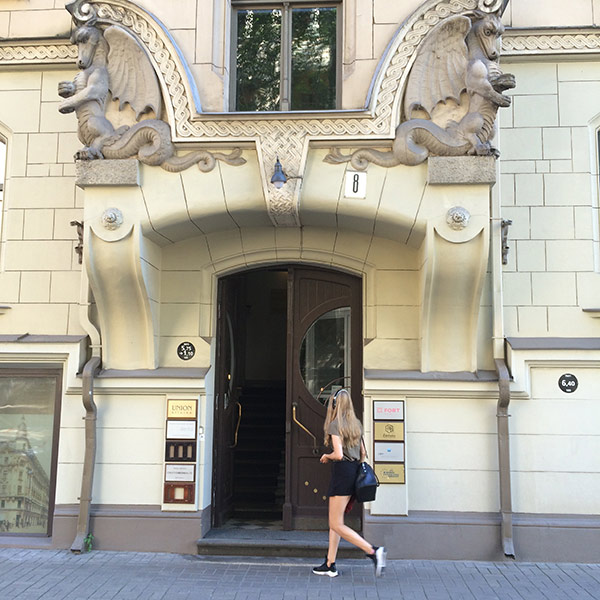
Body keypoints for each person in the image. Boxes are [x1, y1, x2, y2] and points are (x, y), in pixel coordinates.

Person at [312, 388, 386, 578]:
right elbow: (363, 453)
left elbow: (337, 454)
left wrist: (326, 456)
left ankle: (372, 551)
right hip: (354, 472)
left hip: (342, 472)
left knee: (335, 523)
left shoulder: (335, 425)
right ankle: (330, 563)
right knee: (336, 522)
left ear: (335, 404)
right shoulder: (356, 424)